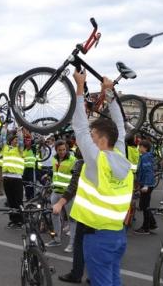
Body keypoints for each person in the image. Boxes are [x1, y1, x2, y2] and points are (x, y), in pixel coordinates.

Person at [70, 69, 134, 286]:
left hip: (98, 237)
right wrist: (108, 93)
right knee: (113, 279)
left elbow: (79, 125)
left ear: (101, 139)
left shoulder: (98, 160)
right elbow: (120, 126)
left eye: (93, 135)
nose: (90, 138)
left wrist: (79, 87)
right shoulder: (120, 156)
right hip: (117, 234)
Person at [53, 158, 87, 284]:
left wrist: (60, 203)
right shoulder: (113, 159)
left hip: (88, 212)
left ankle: (77, 274)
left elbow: (73, 185)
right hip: (109, 217)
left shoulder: (84, 162)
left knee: (80, 244)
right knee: (96, 246)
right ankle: (94, 274)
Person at [46, 140, 77, 253]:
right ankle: (56, 239)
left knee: (72, 220)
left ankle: (72, 244)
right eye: (60, 150)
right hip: (55, 192)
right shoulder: (54, 159)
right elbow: (56, 174)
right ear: (56, 150)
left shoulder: (73, 160)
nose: (62, 152)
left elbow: (75, 178)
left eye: (64, 149)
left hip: (68, 195)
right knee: (54, 216)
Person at [1, 127, 24, 228]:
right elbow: (2, 139)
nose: (16, 141)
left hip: (17, 178)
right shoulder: (5, 148)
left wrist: (19, 131)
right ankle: (13, 220)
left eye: (17, 139)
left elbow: (21, 141)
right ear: (10, 141)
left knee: (18, 200)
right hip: (6, 178)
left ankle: (20, 220)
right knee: (10, 200)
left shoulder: (20, 150)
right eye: (14, 139)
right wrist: (4, 128)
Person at [134, 139, 157, 234]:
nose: (139, 148)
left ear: (145, 148)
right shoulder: (145, 156)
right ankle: (152, 224)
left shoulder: (145, 157)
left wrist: (146, 185)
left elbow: (148, 172)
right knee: (145, 205)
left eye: (140, 146)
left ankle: (146, 228)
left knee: (144, 206)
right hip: (146, 183)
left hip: (147, 184)